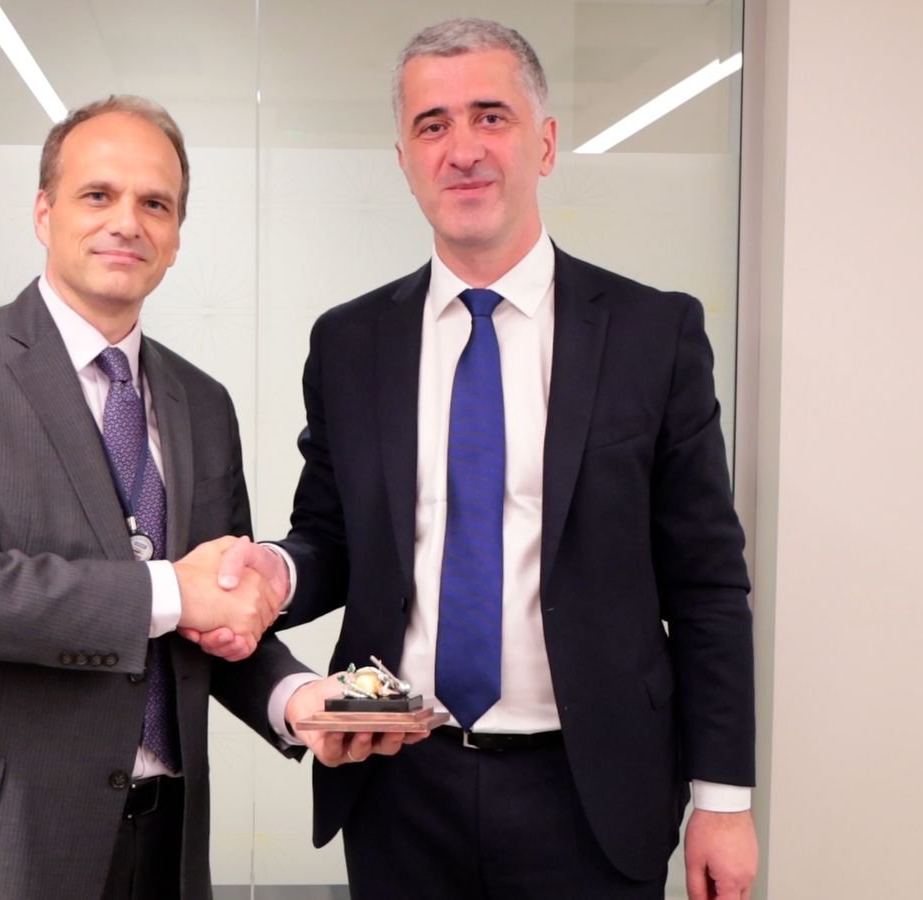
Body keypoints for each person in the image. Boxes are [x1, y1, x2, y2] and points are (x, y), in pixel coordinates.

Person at [219, 18, 758, 900]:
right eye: (432, 125)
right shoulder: (350, 342)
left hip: (591, 791)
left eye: (490, 117)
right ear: (404, 160)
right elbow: (334, 537)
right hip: (399, 780)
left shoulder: (652, 334)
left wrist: (723, 800)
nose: (462, 148)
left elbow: (706, 582)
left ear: (544, 143)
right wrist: (276, 572)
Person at [0, 95, 333, 900]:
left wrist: (297, 698)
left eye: (156, 204)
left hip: (163, 842)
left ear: (176, 236)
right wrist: (171, 589)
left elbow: (212, 613)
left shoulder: (202, 403)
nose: (127, 223)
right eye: (98, 195)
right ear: (44, 212)